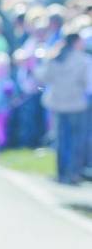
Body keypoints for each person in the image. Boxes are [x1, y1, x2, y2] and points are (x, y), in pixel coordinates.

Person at [39, 32, 89, 184]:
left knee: (61, 140)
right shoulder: (84, 61)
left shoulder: (55, 58)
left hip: (58, 104)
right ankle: (73, 174)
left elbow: (44, 78)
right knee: (76, 141)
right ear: (76, 43)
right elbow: (88, 84)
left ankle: (61, 173)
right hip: (76, 105)